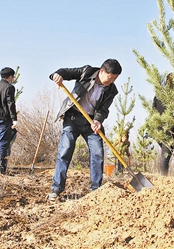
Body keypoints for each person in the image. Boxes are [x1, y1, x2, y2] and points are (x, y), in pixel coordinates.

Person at [48, 59, 122, 201]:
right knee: (65, 150)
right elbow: (66, 72)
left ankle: (95, 190)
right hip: (73, 118)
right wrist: (57, 75)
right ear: (101, 71)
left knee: (98, 153)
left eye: (115, 78)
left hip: (91, 123)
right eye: (110, 77)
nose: (112, 80)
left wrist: (98, 120)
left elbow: (103, 109)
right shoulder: (87, 72)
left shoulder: (112, 90)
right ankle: (56, 188)